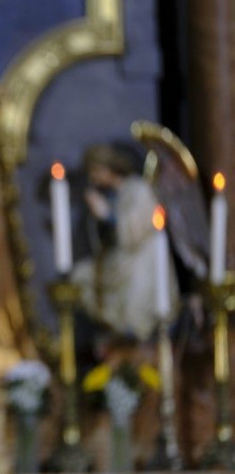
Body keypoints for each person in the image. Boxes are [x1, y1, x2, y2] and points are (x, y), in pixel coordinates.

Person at [71, 143, 178, 342]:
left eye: (96, 171)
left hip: (142, 259)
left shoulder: (138, 189)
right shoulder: (112, 195)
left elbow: (133, 233)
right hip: (120, 258)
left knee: (134, 302)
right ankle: (116, 333)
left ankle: (133, 338)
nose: (93, 178)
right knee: (80, 276)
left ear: (109, 167)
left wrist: (106, 215)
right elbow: (103, 241)